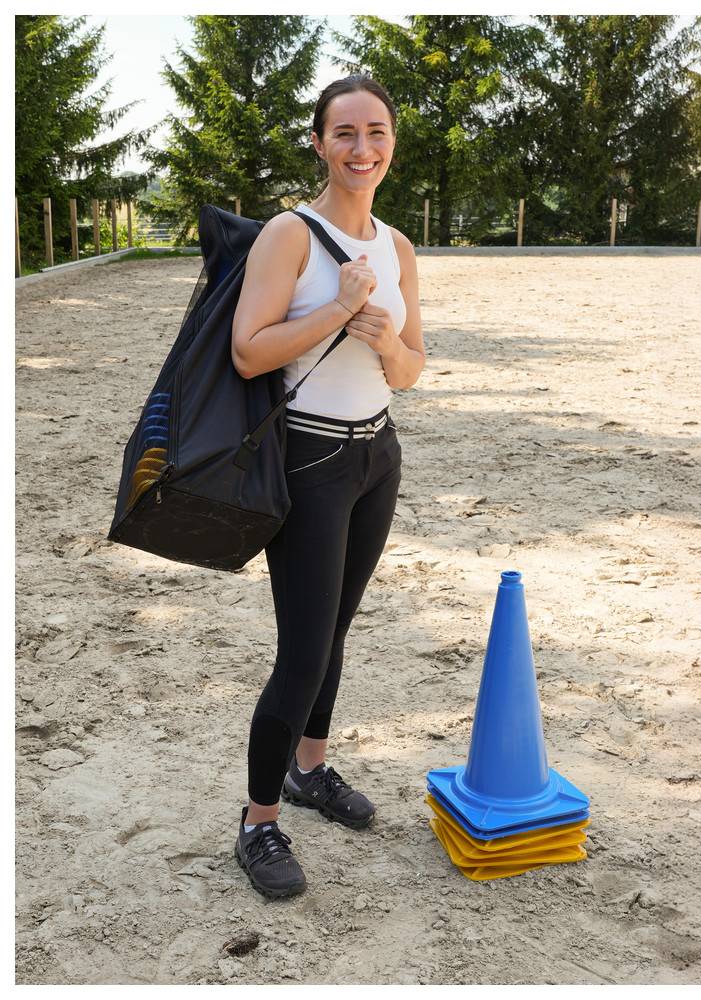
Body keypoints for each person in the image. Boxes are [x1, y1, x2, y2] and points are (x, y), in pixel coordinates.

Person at [229, 75, 426, 898]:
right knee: (303, 651)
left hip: (377, 456)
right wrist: (338, 316)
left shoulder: (399, 246)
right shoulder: (290, 234)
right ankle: (258, 821)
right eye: (343, 133)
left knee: (336, 632)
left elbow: (413, 373)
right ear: (318, 142)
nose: (361, 149)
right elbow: (249, 350)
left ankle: (311, 772)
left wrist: (385, 342)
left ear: (390, 143)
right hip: (307, 461)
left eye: (375, 132)